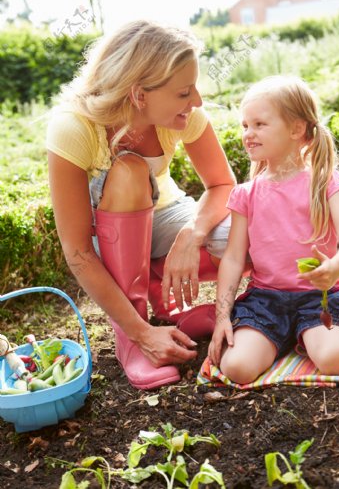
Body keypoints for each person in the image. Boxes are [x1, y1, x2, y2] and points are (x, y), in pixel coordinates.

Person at [46, 20, 236, 390]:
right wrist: (140, 334)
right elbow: (78, 252)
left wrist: (191, 236)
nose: (196, 101)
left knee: (250, 234)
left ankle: (173, 307)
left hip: (168, 218)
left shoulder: (185, 116)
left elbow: (224, 184)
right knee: (130, 171)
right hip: (110, 241)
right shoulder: (73, 126)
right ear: (139, 95)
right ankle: (134, 336)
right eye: (184, 92)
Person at [208, 75, 339, 384]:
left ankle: (306, 336)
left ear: (297, 129)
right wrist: (222, 317)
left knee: (335, 360)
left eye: (259, 124)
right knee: (237, 367)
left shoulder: (325, 181)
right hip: (266, 300)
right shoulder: (246, 193)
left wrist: (336, 266)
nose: (248, 134)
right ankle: (288, 338)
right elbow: (233, 258)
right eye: (245, 125)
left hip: (320, 297)